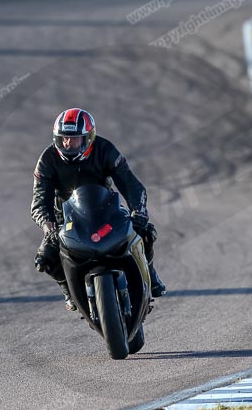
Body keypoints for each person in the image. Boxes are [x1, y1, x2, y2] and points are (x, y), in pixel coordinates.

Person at [32, 108, 167, 311]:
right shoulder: (47, 159)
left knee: (145, 232)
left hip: (106, 211)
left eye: (74, 138)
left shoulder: (105, 149)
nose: (67, 143)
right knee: (45, 258)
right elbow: (39, 202)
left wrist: (139, 213)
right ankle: (68, 290)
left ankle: (150, 273)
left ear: (88, 138)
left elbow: (131, 185)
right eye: (63, 138)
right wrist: (48, 228)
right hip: (66, 218)